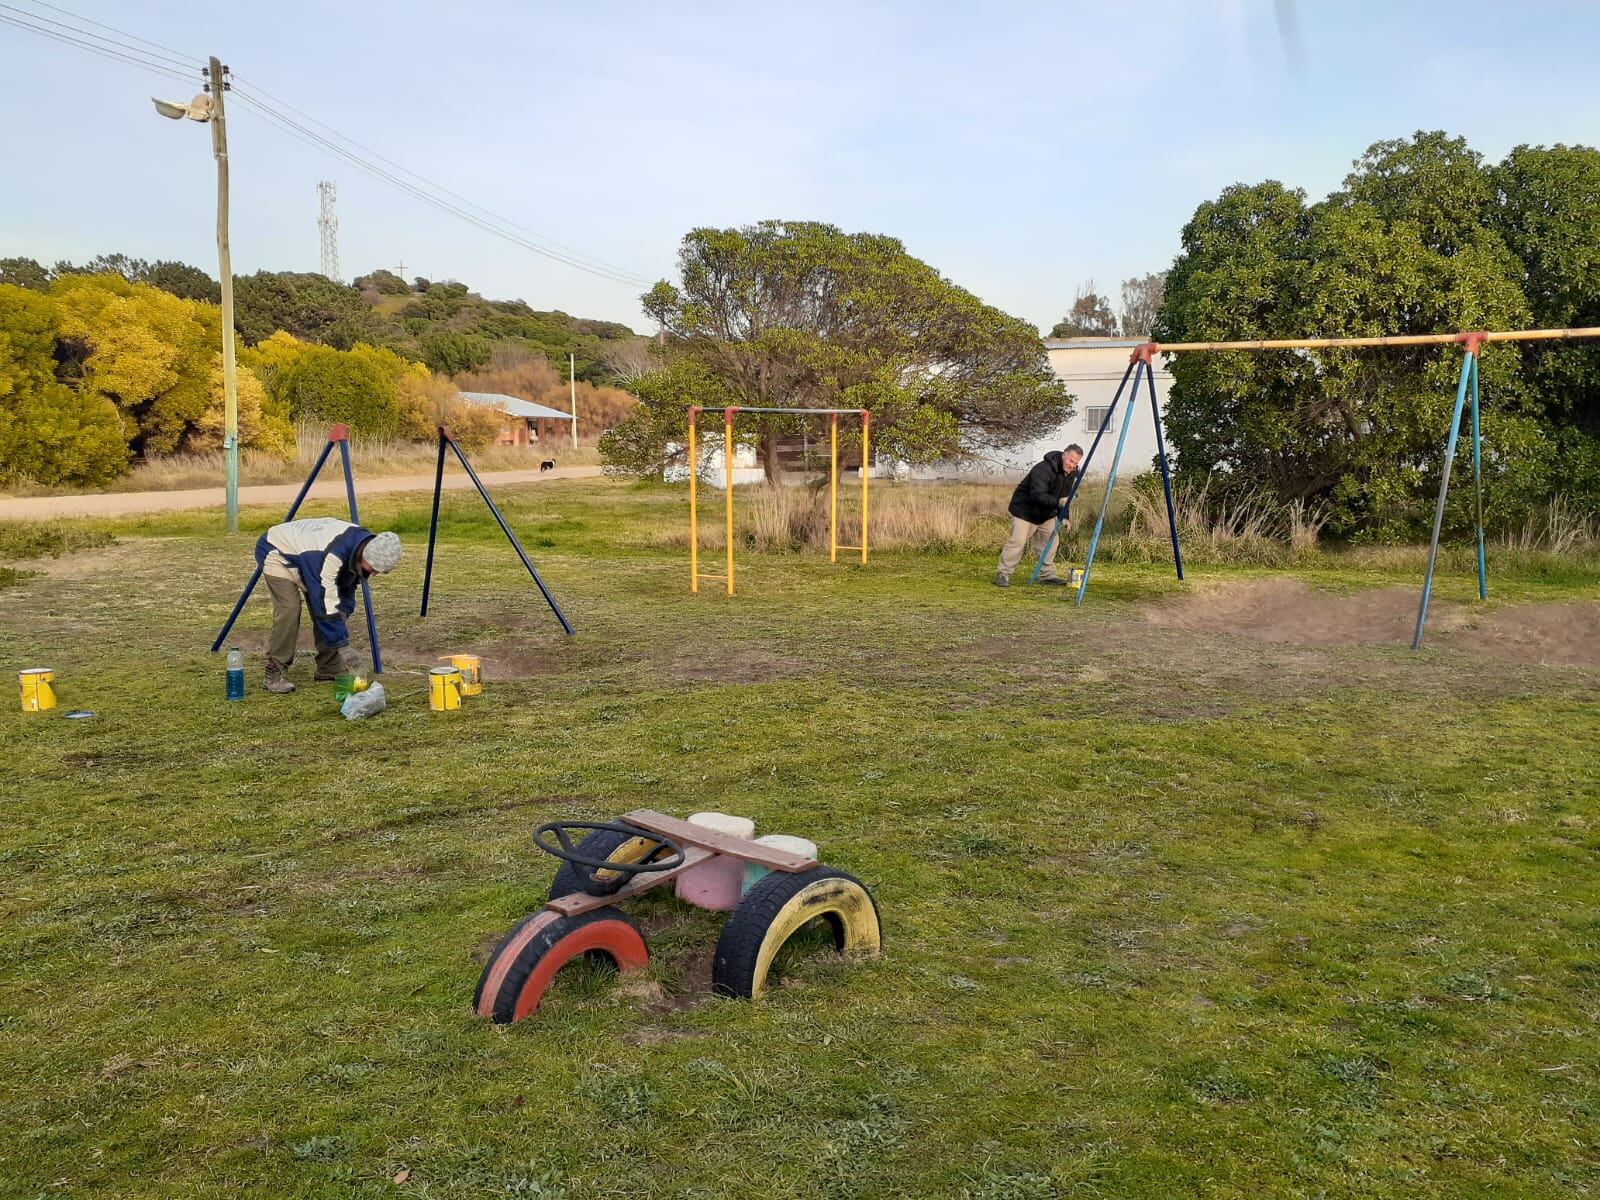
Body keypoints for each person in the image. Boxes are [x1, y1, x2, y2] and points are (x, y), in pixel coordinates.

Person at [254, 517, 402, 693]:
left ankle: (328, 667)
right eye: (373, 569)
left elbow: (342, 593)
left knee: (335, 608)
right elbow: (323, 601)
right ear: (365, 555)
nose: (375, 574)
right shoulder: (333, 555)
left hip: (309, 558)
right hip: (277, 549)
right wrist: (343, 646)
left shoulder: (359, 547)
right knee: (289, 610)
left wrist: (343, 612)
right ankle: (275, 670)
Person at [995, 444, 1084, 587]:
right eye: (1071, 461)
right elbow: (1037, 495)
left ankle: (1047, 575)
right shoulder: (1042, 469)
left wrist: (1064, 516)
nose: (1072, 465)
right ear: (1064, 456)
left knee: (1051, 542)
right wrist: (1058, 502)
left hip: (1046, 513)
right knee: (1017, 542)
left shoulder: (1071, 474)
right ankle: (1003, 574)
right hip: (1025, 511)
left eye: (1076, 463)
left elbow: (1065, 497)